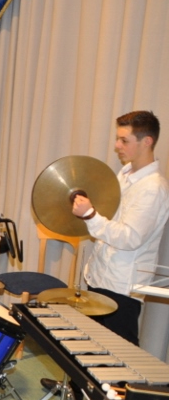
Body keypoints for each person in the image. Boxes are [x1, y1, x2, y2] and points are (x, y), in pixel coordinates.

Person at [72, 110, 169, 345]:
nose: (117, 146)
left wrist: (90, 215)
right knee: (91, 348)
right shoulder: (124, 174)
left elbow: (129, 238)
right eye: (118, 139)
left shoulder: (153, 188)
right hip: (100, 277)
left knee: (119, 354)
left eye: (124, 140)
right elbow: (111, 219)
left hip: (122, 287)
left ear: (147, 141)